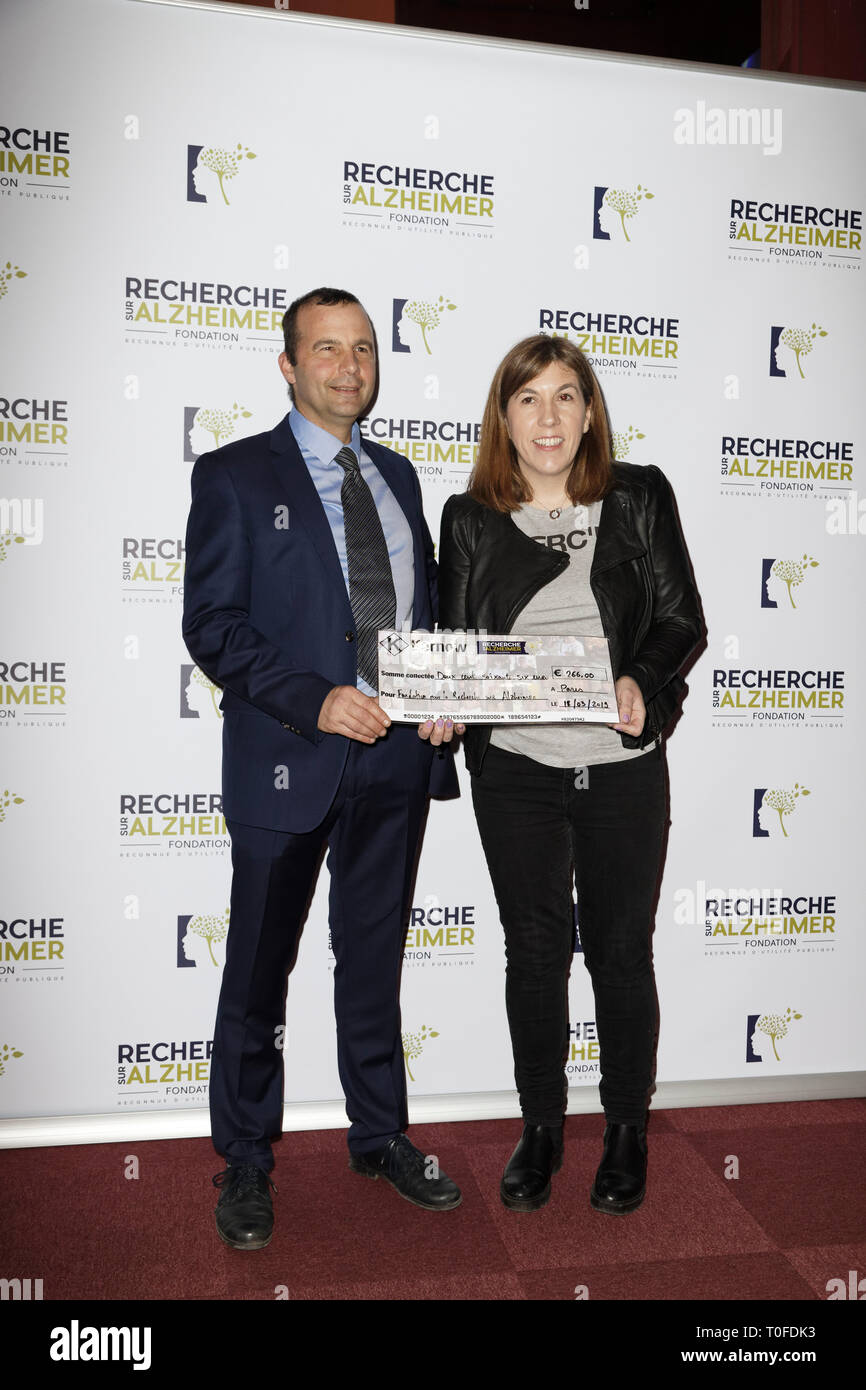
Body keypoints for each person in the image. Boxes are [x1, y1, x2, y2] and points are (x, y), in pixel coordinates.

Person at [182, 287, 462, 1250]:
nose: (350, 367)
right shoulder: (230, 476)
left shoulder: (400, 476)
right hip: (285, 764)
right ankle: (247, 1163)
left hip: (392, 765)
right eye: (328, 349)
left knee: (373, 962)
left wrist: (439, 694)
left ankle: (380, 1136)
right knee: (260, 973)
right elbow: (212, 626)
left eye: (364, 350)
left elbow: (418, 621)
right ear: (289, 365)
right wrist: (315, 697)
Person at [436, 333, 703, 1214]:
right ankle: (541, 1128)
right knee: (536, 952)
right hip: (517, 769)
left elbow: (680, 620)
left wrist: (639, 676)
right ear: (502, 418)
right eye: (527, 399)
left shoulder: (639, 497)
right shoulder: (470, 517)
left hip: (622, 767)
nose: (547, 418)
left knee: (623, 952)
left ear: (589, 412)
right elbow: (457, 649)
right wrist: (441, 703)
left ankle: (626, 1128)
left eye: (564, 397)